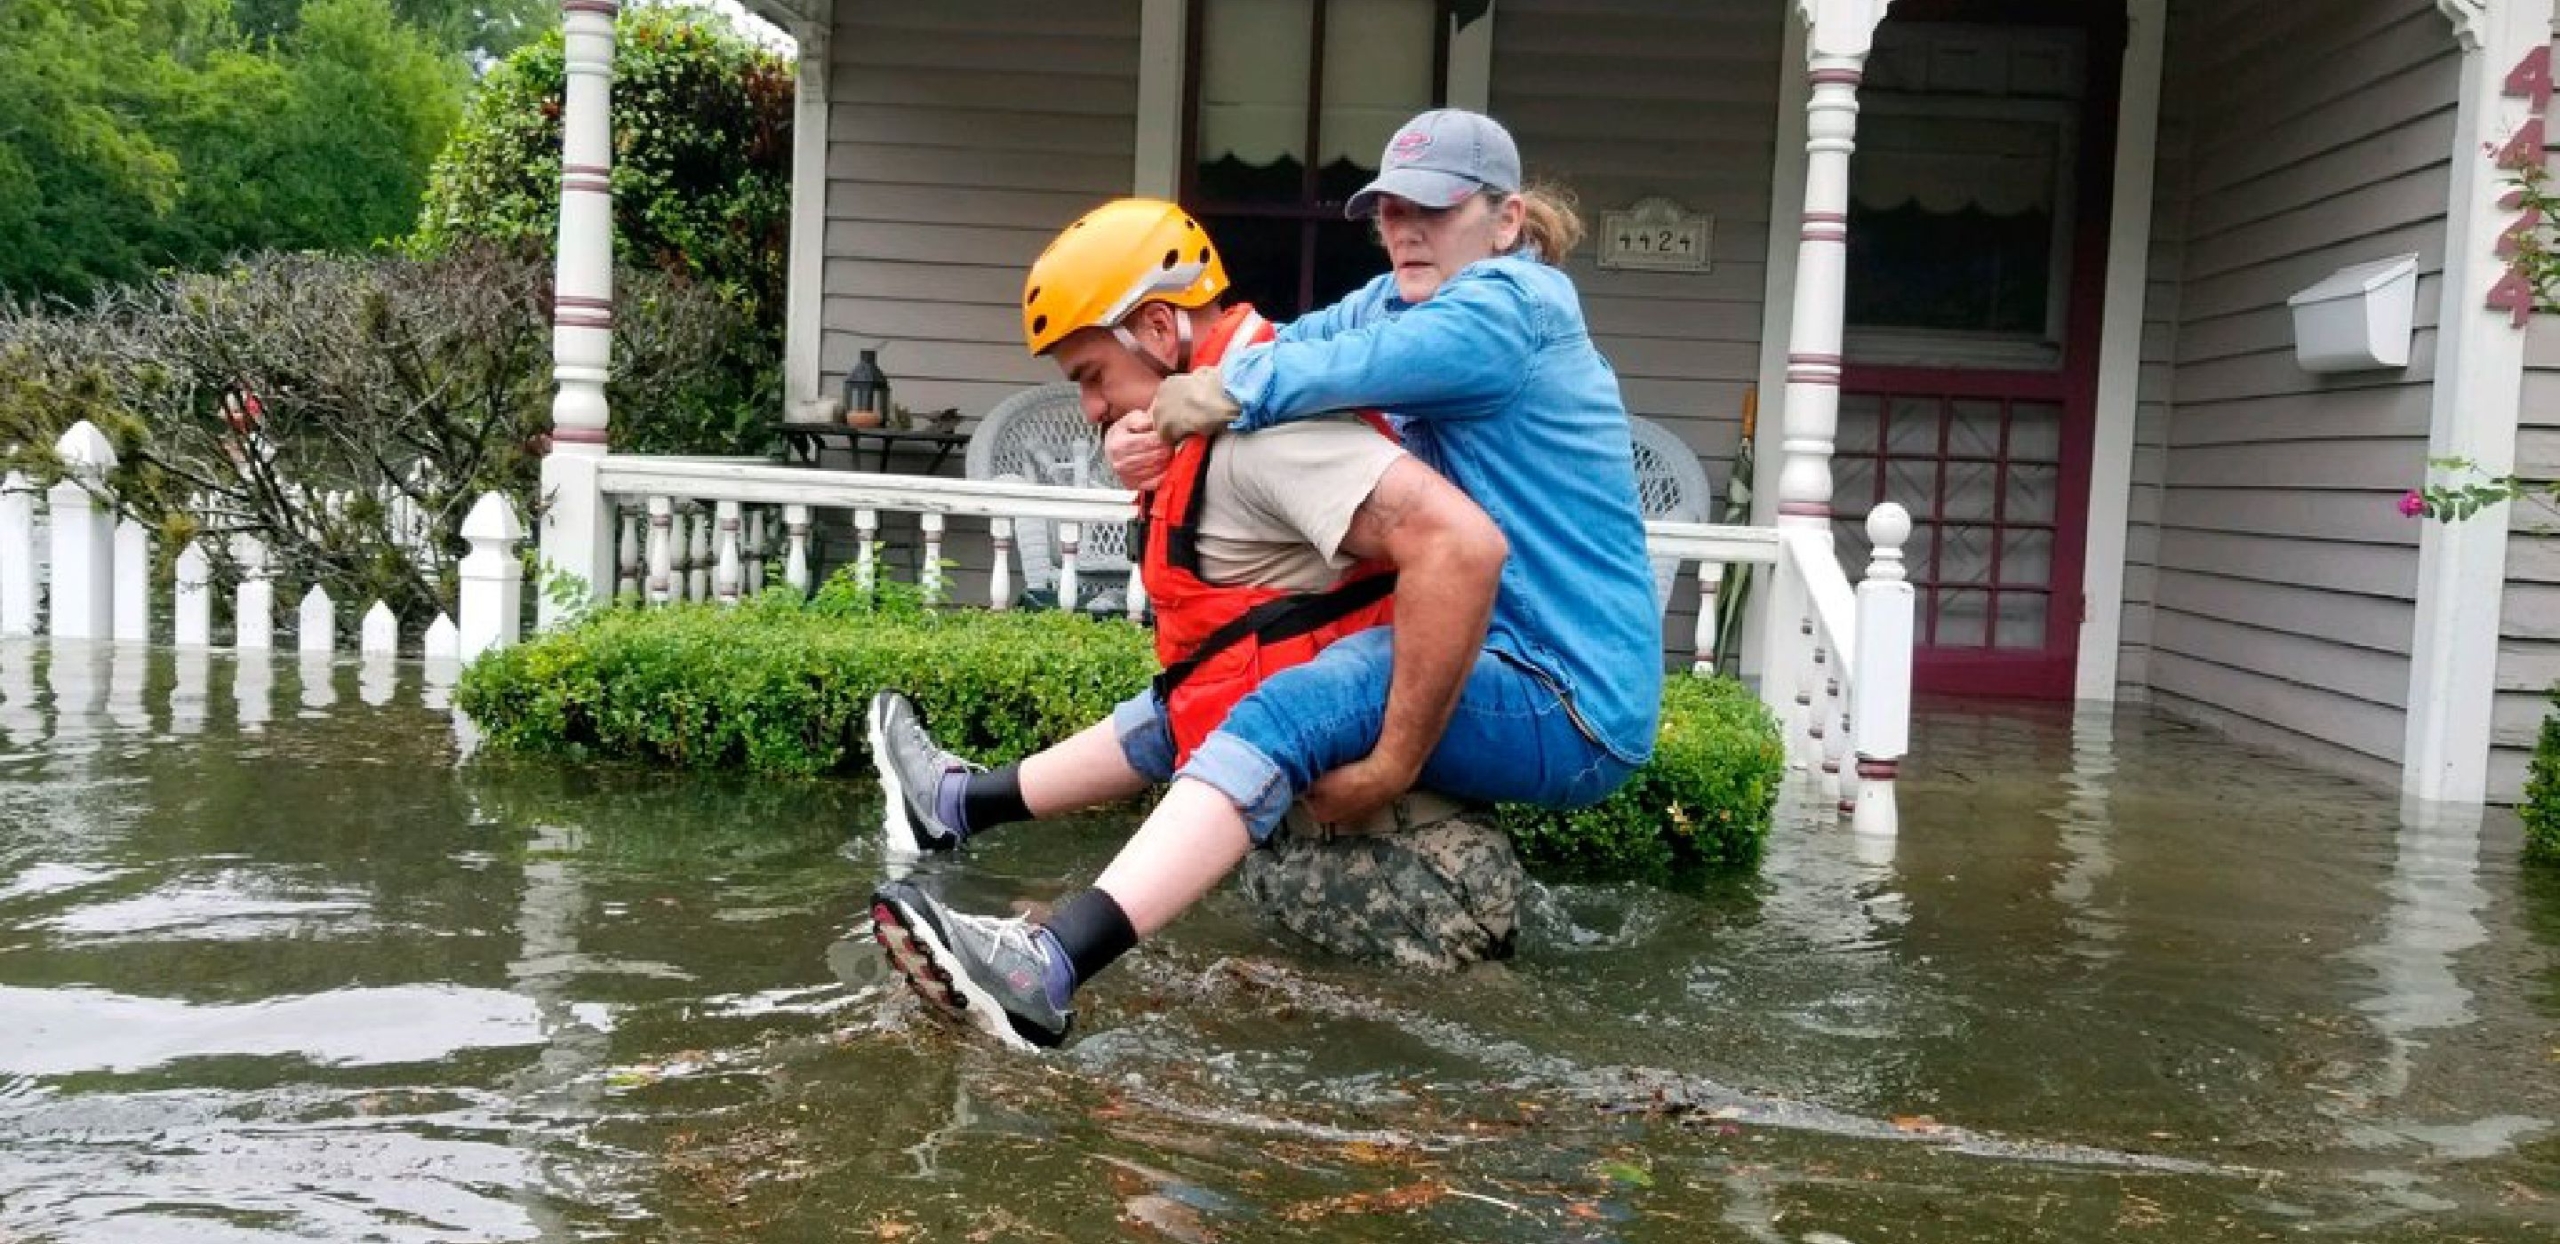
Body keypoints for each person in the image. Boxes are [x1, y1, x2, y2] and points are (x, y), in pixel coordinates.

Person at [872, 109, 1664, 1051]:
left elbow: (1350, 376)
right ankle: (957, 805)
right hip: (1502, 656)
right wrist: (1156, 417)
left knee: (1297, 702)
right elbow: (1290, 342)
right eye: (1390, 210)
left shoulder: (1513, 306)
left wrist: (1393, 765)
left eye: (1437, 209)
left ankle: (1051, 966)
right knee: (1239, 671)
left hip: (1568, 698)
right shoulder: (1403, 299)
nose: (1407, 230)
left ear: (1506, 219)